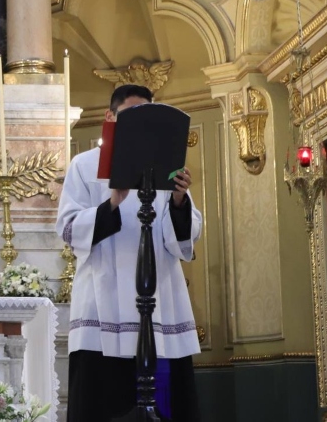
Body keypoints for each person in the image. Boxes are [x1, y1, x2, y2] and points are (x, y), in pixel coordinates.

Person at [55, 84, 202, 422]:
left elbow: (181, 238)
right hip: (102, 303)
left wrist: (179, 201)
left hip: (161, 301)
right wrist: (113, 202)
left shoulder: (165, 167)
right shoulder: (85, 165)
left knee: (167, 404)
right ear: (110, 118)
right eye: (130, 116)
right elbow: (67, 227)